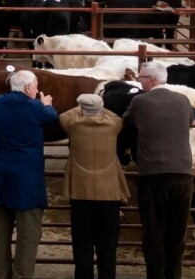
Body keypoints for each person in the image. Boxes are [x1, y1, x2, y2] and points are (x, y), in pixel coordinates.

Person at [123, 61, 194, 279]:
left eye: (141, 77)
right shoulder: (183, 100)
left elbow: (125, 123)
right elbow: (191, 122)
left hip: (153, 174)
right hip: (183, 173)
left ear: (151, 80)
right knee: (177, 232)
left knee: (153, 231)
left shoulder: (140, 102)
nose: (139, 81)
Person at [0, 69, 58, 279]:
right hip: (27, 183)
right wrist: (46, 103)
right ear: (28, 88)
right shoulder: (37, 108)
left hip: (0, 179)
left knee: (0, 237)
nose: (37, 90)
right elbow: (51, 118)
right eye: (35, 87)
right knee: (28, 238)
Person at [60, 94, 130, 279]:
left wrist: (81, 108)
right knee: (108, 247)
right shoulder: (113, 125)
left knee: (82, 246)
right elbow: (114, 115)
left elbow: (65, 115)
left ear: (81, 109)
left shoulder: (73, 125)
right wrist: (99, 106)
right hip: (109, 193)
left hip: (80, 193)